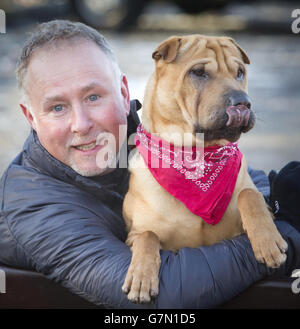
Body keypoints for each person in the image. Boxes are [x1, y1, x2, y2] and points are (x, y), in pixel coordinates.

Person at [0, 20, 299, 309]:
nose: (81, 124)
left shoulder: (150, 142)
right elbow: (162, 295)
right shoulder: (33, 206)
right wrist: (286, 235)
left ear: (123, 92)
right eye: (57, 107)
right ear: (30, 117)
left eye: (93, 97)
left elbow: (231, 182)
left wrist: (267, 201)